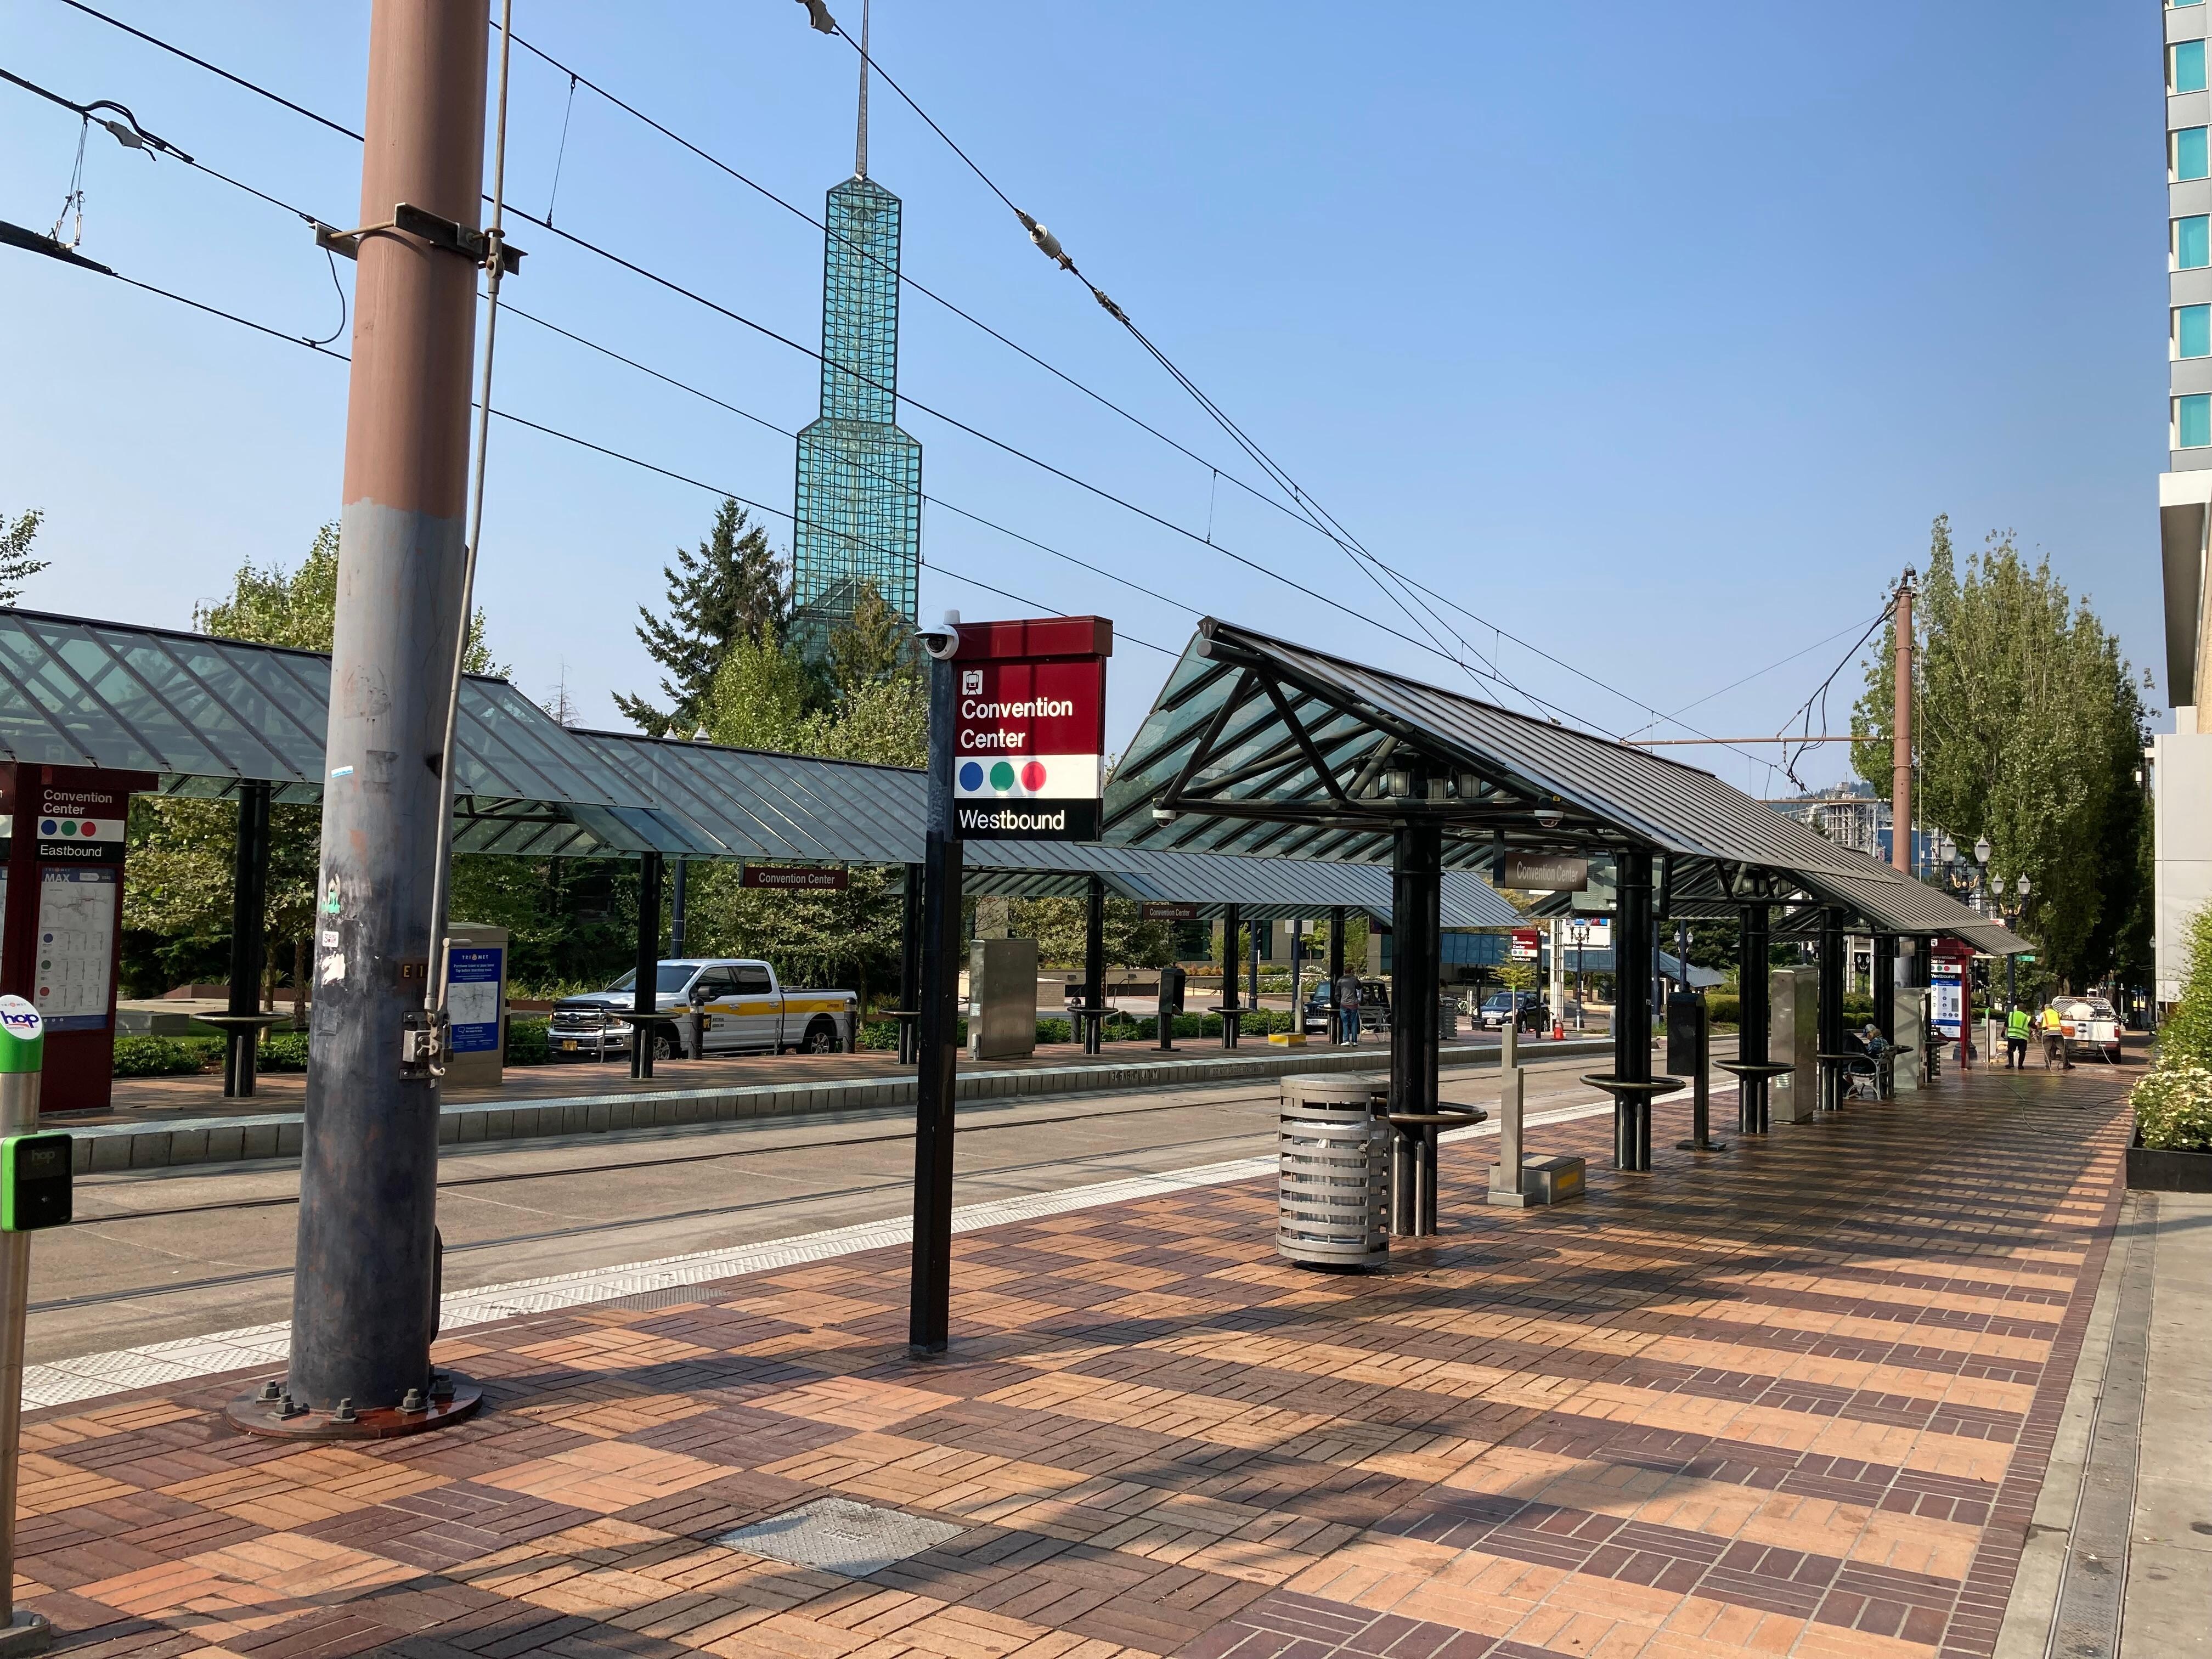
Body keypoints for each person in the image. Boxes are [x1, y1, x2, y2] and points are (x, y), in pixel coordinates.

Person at [1335, 969, 1362, 1046]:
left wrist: (1339, 1001)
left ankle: (1346, 1040)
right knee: (1354, 1022)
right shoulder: (1355, 980)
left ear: (1345, 972)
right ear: (1351, 972)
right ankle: (1354, 1041)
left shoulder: (1340, 980)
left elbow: (1337, 993)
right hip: (1354, 1003)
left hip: (1344, 1003)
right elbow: (1360, 989)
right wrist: (1359, 1000)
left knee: (1345, 1022)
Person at [2039, 1001, 2069, 1070]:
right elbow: (2061, 1018)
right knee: (2062, 1048)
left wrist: (2041, 1028)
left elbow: (2037, 1023)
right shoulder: (2057, 1013)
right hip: (2058, 1033)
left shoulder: (2043, 1014)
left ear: (2045, 1009)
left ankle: (2048, 1065)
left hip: (2047, 1033)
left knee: (2047, 1050)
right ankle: (2066, 1065)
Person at [2005, 1002, 2032, 1069]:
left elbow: (2006, 1024)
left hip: (2012, 1036)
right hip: (2022, 1038)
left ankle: (2011, 1064)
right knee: (2022, 1051)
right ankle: (2020, 1065)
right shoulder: (2027, 1017)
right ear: (2024, 1009)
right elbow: (2033, 1025)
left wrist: (2003, 1032)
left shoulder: (2011, 1015)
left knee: (2010, 1050)